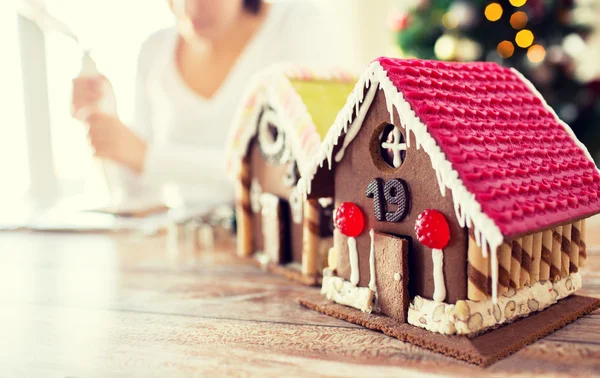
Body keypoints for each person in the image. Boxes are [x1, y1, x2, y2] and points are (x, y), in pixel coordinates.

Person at [72, 0, 346, 209]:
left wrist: (149, 157)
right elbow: (137, 195)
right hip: (186, 258)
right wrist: (105, 119)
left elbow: (298, 176)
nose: (190, 6)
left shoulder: (298, 28)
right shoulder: (153, 51)